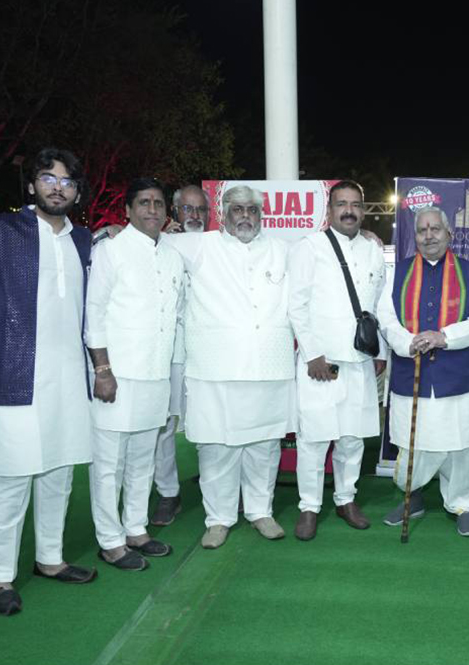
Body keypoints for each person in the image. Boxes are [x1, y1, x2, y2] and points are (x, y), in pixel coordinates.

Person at [0, 148, 97, 615]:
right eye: (48, 178)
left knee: (59, 472)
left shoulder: (84, 241)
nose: (58, 187)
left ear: (76, 192)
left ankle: (50, 559)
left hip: (68, 380)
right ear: (32, 185)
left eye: (67, 181)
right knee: (12, 476)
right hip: (10, 372)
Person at [164, 185, 295, 548]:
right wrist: (112, 229)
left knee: (264, 447)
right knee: (216, 449)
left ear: (261, 215)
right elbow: (148, 241)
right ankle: (218, 519)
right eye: (237, 209)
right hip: (215, 369)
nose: (245, 216)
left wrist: (366, 236)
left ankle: (260, 511)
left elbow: (322, 256)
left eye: (252, 210)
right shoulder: (198, 245)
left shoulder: (282, 250)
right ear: (223, 213)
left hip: (268, 368)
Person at [86, 178, 184, 570]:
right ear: (127, 210)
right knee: (109, 464)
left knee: (144, 459)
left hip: (156, 374)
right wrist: (102, 370)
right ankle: (110, 541)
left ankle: (136, 529)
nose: (152, 210)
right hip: (117, 374)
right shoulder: (111, 250)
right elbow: (94, 312)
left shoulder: (172, 254)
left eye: (158, 203)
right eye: (144, 202)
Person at [377, 206, 469, 537]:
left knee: (462, 444)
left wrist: (445, 337)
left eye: (435, 229)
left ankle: (463, 504)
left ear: (449, 234)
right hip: (410, 372)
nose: (429, 235)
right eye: (422, 230)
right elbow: (385, 317)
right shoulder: (398, 273)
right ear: (415, 236)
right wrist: (408, 342)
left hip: (459, 376)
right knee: (412, 442)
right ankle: (412, 497)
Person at [287, 180, 386, 540]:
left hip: (359, 360)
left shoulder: (373, 250)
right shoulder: (309, 247)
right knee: (314, 439)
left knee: (352, 438)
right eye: (341, 204)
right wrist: (312, 353)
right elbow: (296, 304)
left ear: (363, 210)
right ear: (329, 210)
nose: (349, 210)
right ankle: (309, 506)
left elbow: (378, 306)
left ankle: (346, 499)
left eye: (355, 204)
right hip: (321, 362)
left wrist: (380, 352)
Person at [149, 185, 209, 527]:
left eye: (200, 209)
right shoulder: (158, 243)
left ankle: (218, 486)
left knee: (210, 419)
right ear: (174, 211)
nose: (195, 216)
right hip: (169, 351)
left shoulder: (221, 244)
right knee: (164, 424)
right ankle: (168, 492)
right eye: (188, 209)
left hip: (208, 351)